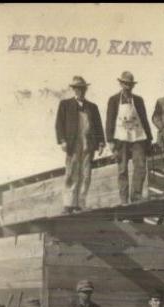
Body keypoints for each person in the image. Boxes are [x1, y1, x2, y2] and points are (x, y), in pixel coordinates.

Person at [55, 76, 105, 214]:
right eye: (77, 88)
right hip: (73, 143)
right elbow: (59, 124)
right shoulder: (65, 105)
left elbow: (98, 126)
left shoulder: (92, 107)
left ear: (85, 89)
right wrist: (62, 141)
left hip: (88, 144)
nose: (80, 91)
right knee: (71, 173)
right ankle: (68, 204)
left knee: (86, 174)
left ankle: (80, 204)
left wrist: (101, 143)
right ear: (73, 89)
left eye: (82, 88)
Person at [106, 71, 152, 204]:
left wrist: (148, 139)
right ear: (121, 84)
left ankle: (136, 196)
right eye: (125, 84)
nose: (127, 86)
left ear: (133, 85)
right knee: (122, 169)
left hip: (137, 137)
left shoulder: (138, 100)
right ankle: (124, 199)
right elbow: (109, 120)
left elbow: (144, 119)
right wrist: (110, 140)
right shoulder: (114, 100)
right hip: (121, 139)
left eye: (130, 84)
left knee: (141, 166)